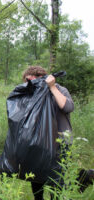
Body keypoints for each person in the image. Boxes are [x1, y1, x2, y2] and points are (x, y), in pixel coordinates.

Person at [22, 66, 94, 200]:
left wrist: (52, 87)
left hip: (60, 143)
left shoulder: (60, 89)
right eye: (27, 82)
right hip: (37, 145)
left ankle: (85, 177)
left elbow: (67, 107)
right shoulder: (30, 94)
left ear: (43, 78)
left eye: (33, 81)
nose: (30, 84)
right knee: (37, 184)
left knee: (57, 185)